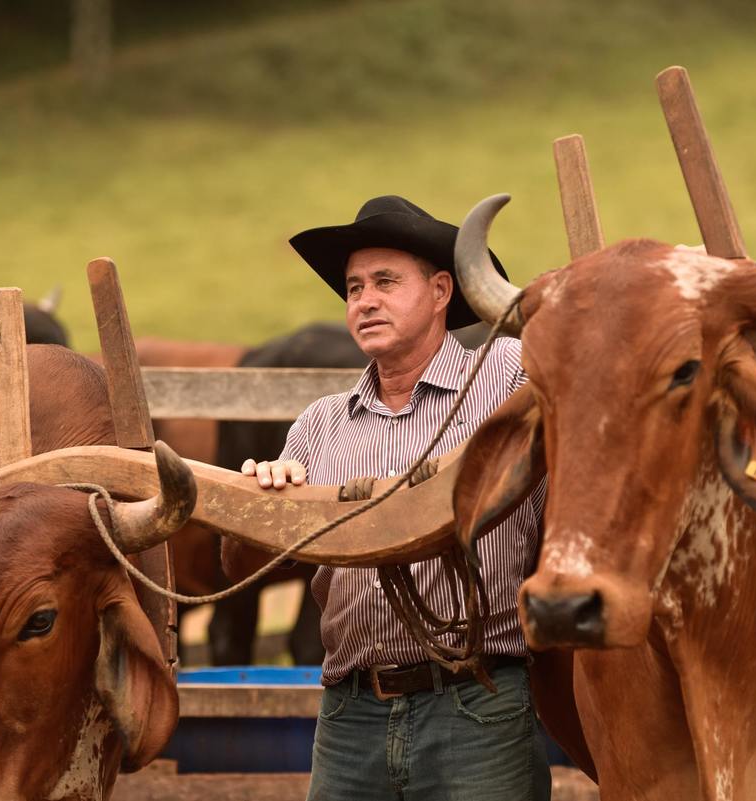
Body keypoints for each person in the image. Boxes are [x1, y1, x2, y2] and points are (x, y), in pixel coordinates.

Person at [225, 195, 549, 801]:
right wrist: (261, 509)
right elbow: (243, 570)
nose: (364, 301)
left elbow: (590, 366)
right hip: (350, 715)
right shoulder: (319, 425)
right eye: (353, 289)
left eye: (385, 282)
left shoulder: (509, 374)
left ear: (441, 290)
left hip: (476, 702)